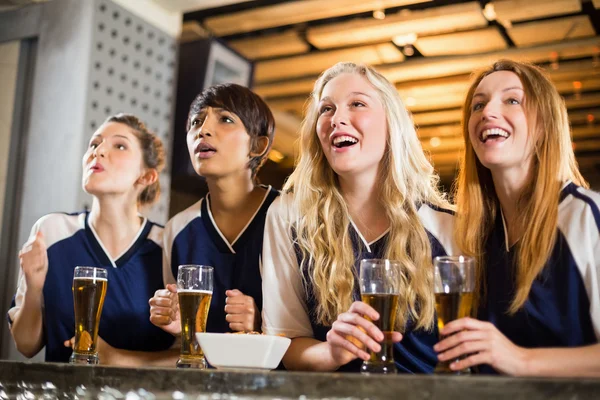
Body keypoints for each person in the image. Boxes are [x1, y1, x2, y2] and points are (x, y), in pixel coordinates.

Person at [261, 62, 457, 373]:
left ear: (392, 123)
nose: (337, 119)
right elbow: (286, 343)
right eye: (326, 109)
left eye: (357, 104)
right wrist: (331, 353)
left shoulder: (449, 225)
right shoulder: (287, 215)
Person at [434, 59, 600, 377]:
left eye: (512, 100)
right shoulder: (475, 238)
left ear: (543, 125)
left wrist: (521, 361)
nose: (487, 113)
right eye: (478, 105)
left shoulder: (584, 216)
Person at [8, 113, 176, 365]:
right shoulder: (51, 231)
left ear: (146, 176)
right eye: (94, 144)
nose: (98, 151)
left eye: (119, 146)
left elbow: (190, 355)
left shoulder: (169, 245)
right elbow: (26, 345)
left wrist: (117, 358)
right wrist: (34, 287)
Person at [149, 84, 278, 336]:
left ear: (258, 145)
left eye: (226, 119)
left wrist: (263, 323)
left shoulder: (291, 215)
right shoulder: (177, 230)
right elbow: (185, 340)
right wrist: (174, 324)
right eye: (196, 122)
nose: (203, 130)